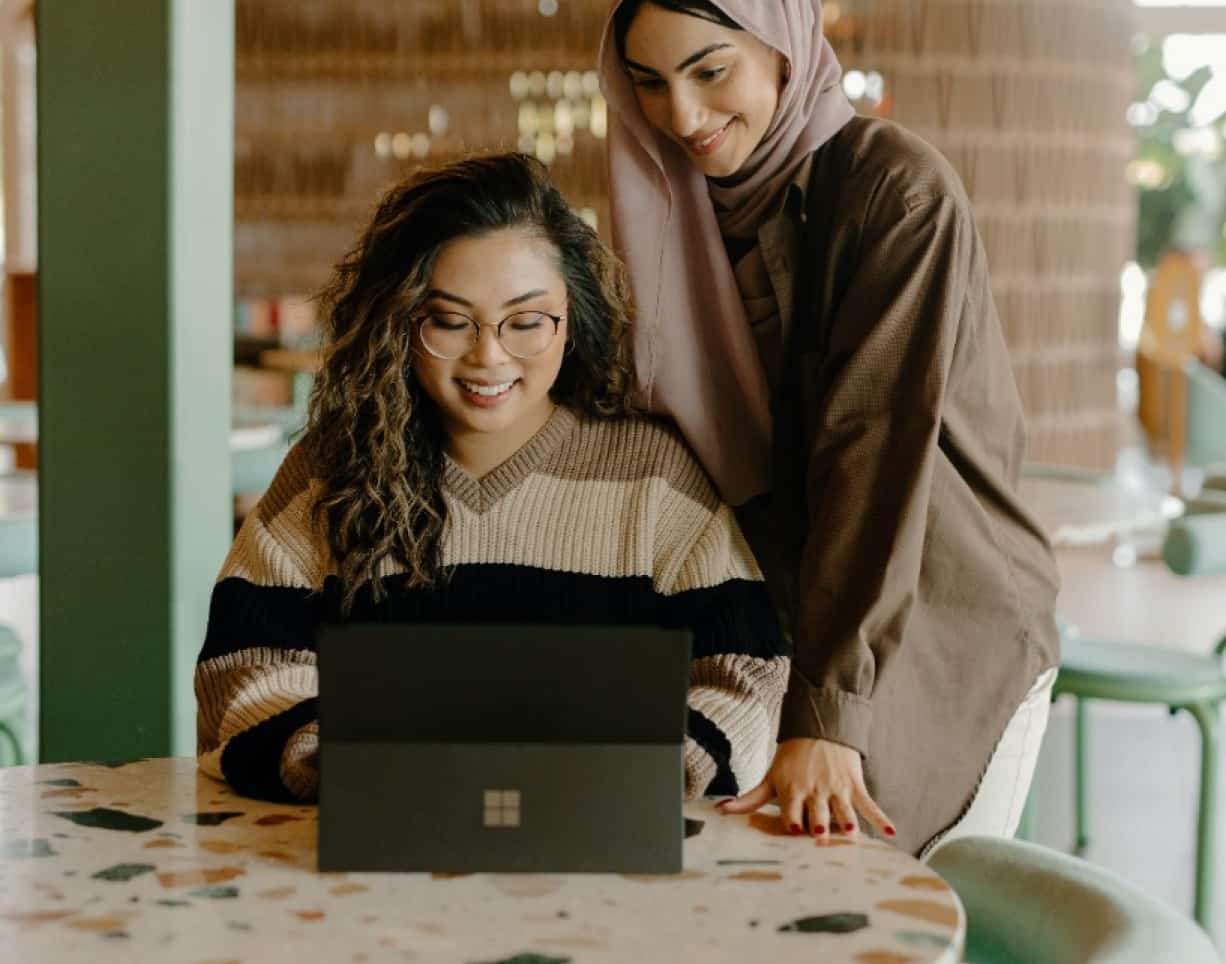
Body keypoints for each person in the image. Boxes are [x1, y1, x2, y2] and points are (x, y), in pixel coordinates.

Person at [599, 0, 1061, 855]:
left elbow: (873, 453)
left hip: (933, 617)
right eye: (650, 85)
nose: (682, 117)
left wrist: (830, 710)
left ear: (781, 50)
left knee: (886, 908)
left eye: (710, 71)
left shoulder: (895, 191)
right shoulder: (666, 213)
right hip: (780, 624)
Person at [194, 152, 790, 804]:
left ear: (573, 320)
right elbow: (240, 670)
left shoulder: (653, 478)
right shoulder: (328, 471)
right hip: (370, 851)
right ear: (398, 321)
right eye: (449, 320)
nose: (489, 355)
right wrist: (360, 766)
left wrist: (640, 773)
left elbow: (747, 674)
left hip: (604, 849)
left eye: (527, 322)